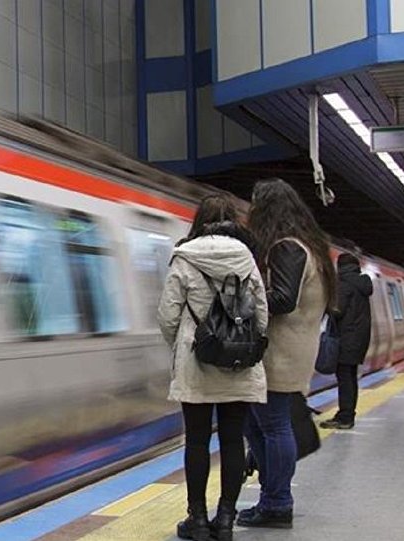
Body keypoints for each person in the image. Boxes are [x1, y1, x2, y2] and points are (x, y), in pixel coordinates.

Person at [158, 194, 269, 541]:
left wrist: (183, 345)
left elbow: (167, 316)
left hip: (196, 363)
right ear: (233, 222)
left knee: (197, 441)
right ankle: (225, 520)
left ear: (199, 221)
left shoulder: (184, 257)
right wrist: (243, 342)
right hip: (238, 364)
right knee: (233, 439)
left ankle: (198, 520)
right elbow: (263, 316)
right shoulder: (247, 259)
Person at [240, 179, 336, 529]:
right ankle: (272, 497)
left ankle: (278, 502)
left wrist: (244, 301)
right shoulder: (310, 246)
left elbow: (282, 299)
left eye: (255, 205)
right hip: (293, 349)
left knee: (273, 426)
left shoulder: (287, 248)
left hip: (281, 353)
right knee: (259, 424)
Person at [320, 252, 372, 429]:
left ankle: (345, 417)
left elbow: (337, 310)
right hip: (358, 339)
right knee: (350, 377)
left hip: (346, 339)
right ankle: (348, 414)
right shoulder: (361, 283)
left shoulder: (344, 284)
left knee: (345, 379)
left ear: (340, 266)